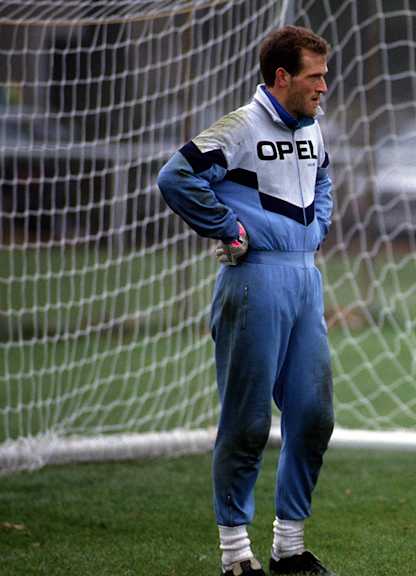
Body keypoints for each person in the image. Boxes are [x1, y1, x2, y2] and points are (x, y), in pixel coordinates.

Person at [157, 26, 337, 576]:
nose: (323, 87)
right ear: (282, 77)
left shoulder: (313, 128)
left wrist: (318, 228)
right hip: (253, 283)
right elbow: (176, 176)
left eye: (325, 76)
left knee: (314, 416)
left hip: (305, 281)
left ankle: (289, 548)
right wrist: (228, 227)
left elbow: (324, 181)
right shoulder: (239, 127)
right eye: (314, 76)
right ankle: (235, 555)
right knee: (248, 422)